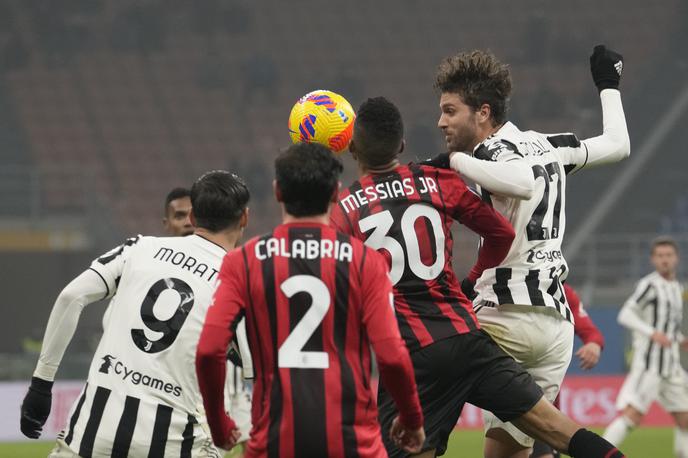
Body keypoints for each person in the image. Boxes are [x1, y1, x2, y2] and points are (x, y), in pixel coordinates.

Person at [330, 96, 624, 458]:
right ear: (402, 145)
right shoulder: (435, 181)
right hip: (468, 338)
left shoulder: (343, 209)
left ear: (352, 148)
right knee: (557, 429)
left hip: (413, 353)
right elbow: (502, 233)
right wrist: (468, 281)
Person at [430, 44, 630, 457]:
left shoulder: (489, 152)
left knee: (415, 385)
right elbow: (617, 144)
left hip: (501, 321)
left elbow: (520, 181)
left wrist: (454, 161)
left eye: (450, 111)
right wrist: (608, 85)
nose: (441, 121)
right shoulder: (548, 145)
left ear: (482, 113)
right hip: (554, 329)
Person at [196, 142, 426, 457]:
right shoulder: (366, 262)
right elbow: (392, 355)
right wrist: (411, 418)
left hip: (273, 443)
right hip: (353, 443)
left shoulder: (243, 261)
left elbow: (209, 350)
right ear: (336, 193)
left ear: (277, 191)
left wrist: (219, 424)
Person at [20, 171, 250, 457]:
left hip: (93, 433)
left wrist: (41, 385)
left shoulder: (139, 247)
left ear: (192, 217)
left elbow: (71, 296)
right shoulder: (240, 282)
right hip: (175, 441)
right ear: (244, 218)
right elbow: (256, 365)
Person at [162, 188, 254, 457]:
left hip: (233, 384)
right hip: (182, 393)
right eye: (178, 217)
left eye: (188, 215)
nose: (186, 223)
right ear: (166, 224)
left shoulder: (231, 265)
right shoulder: (153, 270)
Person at [603, 237, 688, 456]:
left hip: (671, 364)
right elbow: (625, 314)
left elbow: (667, 325)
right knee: (633, 416)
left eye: (668, 255)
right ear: (653, 260)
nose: (665, 260)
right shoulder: (649, 285)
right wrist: (652, 333)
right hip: (650, 364)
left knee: (685, 418)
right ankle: (596, 454)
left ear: (676, 258)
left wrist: (679, 339)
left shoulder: (677, 287)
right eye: (660, 256)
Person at [531, 283, 606, 458]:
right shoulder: (499, 283)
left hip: (546, 402)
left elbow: (589, 329)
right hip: (514, 395)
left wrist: (593, 343)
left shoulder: (562, 291)